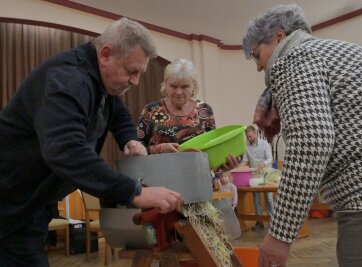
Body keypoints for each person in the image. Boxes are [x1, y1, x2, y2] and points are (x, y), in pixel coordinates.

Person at [0, 18, 183, 266]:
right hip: (11, 200)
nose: (135, 82)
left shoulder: (101, 80)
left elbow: (116, 111)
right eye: (132, 71)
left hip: (32, 201)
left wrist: (128, 137)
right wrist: (134, 192)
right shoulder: (69, 80)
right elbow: (65, 151)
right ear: (106, 54)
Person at [243, 4, 362, 267]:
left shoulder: (294, 57)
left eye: (257, 55)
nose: (259, 67)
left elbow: (310, 145)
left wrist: (280, 235)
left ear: (279, 37)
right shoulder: (339, 51)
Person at [137, 58, 216, 153]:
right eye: (174, 86)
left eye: (184, 86)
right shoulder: (151, 110)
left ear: (193, 86)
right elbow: (136, 151)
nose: (179, 92)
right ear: (165, 84)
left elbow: (213, 147)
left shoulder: (204, 110)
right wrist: (158, 149)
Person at [241, 125, 274, 232]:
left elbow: (270, 158)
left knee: (268, 198)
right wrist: (239, 167)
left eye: (250, 136)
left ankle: (272, 222)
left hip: (266, 173)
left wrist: (263, 164)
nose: (249, 139)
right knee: (256, 198)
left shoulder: (265, 143)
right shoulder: (246, 146)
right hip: (254, 175)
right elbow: (245, 160)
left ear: (255, 133)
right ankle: (259, 222)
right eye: (247, 137)